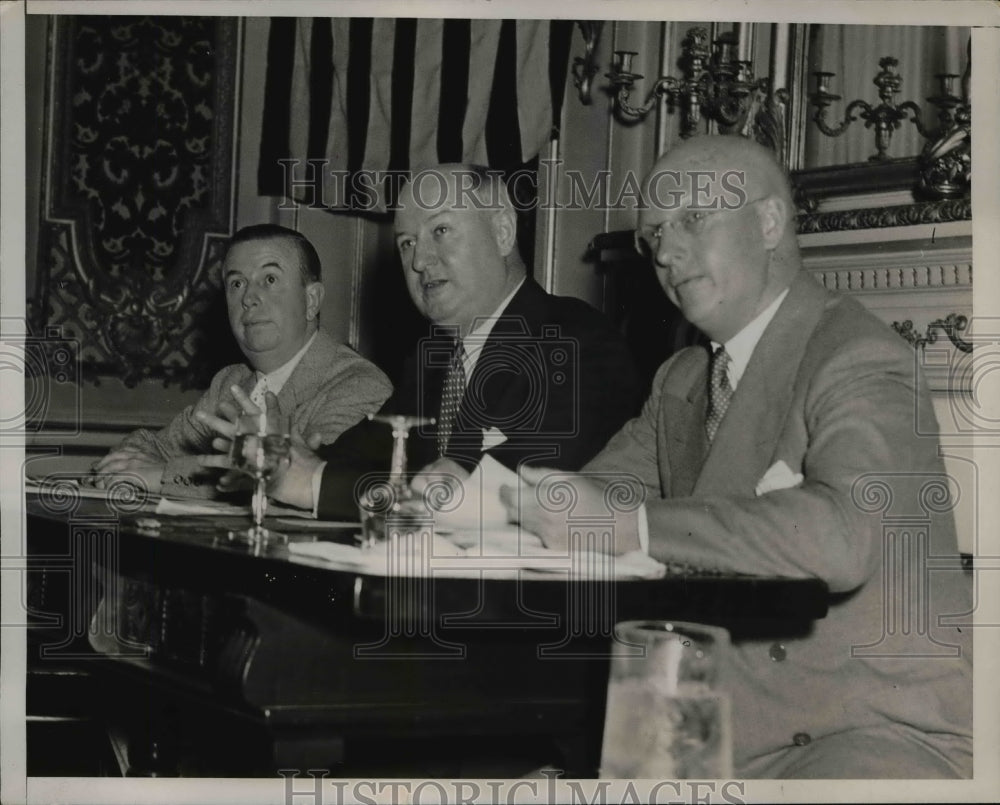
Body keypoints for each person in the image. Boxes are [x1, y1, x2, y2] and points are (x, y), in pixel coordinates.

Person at [501, 135, 973, 778]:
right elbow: (591, 494)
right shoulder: (683, 379)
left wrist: (635, 527)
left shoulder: (859, 353)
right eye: (654, 235)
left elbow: (844, 536)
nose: (665, 252)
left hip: (860, 740)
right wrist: (485, 498)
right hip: (702, 730)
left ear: (770, 222)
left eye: (692, 219)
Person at [204, 165, 641, 518]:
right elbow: (358, 458)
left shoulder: (574, 340)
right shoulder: (433, 363)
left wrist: (314, 482)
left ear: (503, 231)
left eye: (441, 232)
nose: (418, 260)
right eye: (407, 242)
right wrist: (286, 457)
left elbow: (494, 494)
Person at [92, 224, 392, 497]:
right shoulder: (231, 382)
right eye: (237, 284)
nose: (248, 298)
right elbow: (150, 446)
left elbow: (310, 485)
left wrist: (162, 476)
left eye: (270, 279)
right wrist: (124, 466)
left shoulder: (360, 386)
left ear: (311, 300)